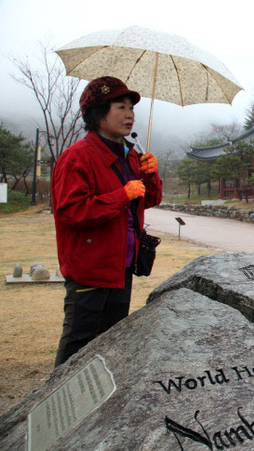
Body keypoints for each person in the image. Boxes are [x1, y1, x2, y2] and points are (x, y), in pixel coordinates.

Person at [52, 76, 163, 367]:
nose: (129, 114)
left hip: (121, 267)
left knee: (111, 342)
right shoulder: (76, 158)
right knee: (79, 344)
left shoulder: (130, 157)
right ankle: (56, 407)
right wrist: (121, 195)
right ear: (98, 113)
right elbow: (70, 212)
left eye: (131, 108)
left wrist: (150, 177)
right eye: (120, 106)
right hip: (90, 269)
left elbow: (147, 202)